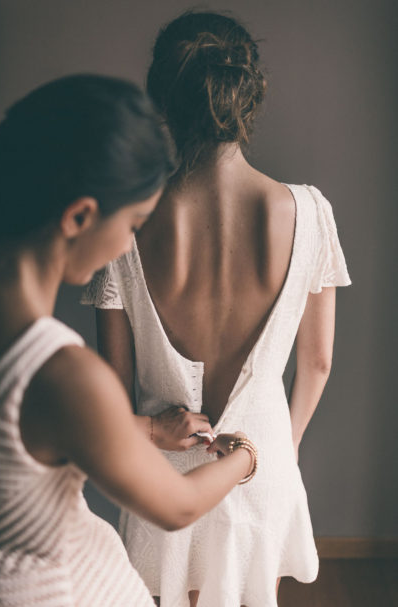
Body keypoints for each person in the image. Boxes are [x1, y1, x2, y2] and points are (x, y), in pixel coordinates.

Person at [82, 11, 352, 607]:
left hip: (161, 474)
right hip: (263, 466)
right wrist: (284, 446)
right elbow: (319, 362)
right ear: (246, 94)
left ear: (163, 104)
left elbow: (112, 392)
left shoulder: (125, 229)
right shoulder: (309, 213)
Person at [0, 74, 259, 607]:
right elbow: (176, 506)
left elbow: (28, 435)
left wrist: (150, 429)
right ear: (80, 217)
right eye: (135, 222)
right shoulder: (61, 372)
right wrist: (246, 459)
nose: (130, 241)